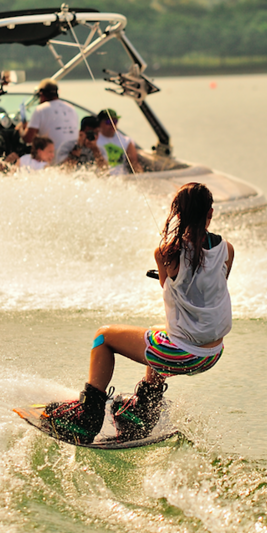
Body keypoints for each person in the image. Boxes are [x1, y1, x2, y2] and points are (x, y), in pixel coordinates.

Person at [42, 182, 234, 443]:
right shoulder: (227, 250)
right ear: (210, 214)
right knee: (157, 332)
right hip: (212, 354)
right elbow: (205, 292)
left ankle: (86, 418)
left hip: (183, 354)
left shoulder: (166, 253)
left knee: (103, 337)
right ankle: (141, 413)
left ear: (177, 214)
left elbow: (168, 285)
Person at [21, 78, 78, 157]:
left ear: (41, 95)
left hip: (53, 157)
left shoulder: (40, 110)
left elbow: (28, 139)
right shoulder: (71, 108)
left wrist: (21, 129)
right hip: (73, 156)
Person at [95, 108, 143, 175]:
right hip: (101, 179)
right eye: (108, 122)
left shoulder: (126, 141)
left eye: (115, 121)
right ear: (99, 123)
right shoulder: (93, 140)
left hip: (122, 180)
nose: (112, 125)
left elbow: (135, 165)